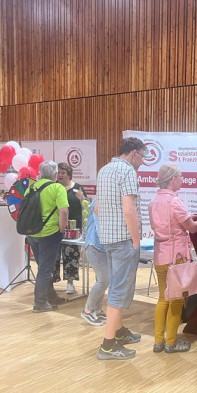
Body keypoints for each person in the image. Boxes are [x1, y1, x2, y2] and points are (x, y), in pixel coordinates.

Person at [148, 164, 197, 353]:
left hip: (160, 255)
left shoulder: (154, 202)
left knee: (163, 299)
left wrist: (189, 218)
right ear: (172, 179)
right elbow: (192, 228)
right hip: (176, 257)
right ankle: (171, 343)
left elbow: (171, 223)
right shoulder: (175, 201)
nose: (182, 179)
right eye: (180, 176)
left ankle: (158, 341)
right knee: (177, 300)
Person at [95, 137, 145, 360]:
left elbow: (97, 209)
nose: (142, 162)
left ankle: (118, 330)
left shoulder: (104, 170)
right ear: (134, 153)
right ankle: (108, 344)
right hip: (124, 240)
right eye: (142, 157)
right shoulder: (128, 172)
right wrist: (136, 240)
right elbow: (129, 209)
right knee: (119, 290)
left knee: (116, 286)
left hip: (107, 238)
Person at [27, 161, 69, 312]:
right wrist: (62, 230)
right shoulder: (57, 188)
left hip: (32, 232)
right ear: (55, 174)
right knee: (45, 269)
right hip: (49, 232)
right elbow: (64, 211)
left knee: (43, 267)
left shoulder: (32, 187)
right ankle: (40, 303)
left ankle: (50, 297)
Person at [53, 162, 86, 294]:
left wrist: (82, 198)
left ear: (69, 175)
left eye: (63, 173)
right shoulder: (54, 187)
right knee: (54, 255)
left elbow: (85, 205)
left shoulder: (77, 188)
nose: (60, 175)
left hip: (74, 229)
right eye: (58, 173)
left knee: (71, 255)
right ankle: (52, 282)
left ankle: (70, 282)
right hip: (56, 227)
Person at [80, 198, 108, 326]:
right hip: (95, 246)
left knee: (102, 280)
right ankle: (88, 310)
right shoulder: (101, 200)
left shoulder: (101, 199)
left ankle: (97, 310)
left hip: (99, 246)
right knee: (104, 280)